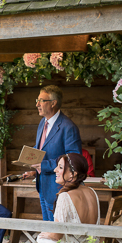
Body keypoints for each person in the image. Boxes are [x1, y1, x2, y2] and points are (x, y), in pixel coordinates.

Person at [33, 153, 100, 243]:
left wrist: (45, 234)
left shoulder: (65, 197)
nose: (55, 170)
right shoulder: (92, 192)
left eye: (60, 167)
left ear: (72, 174)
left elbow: (56, 236)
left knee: (40, 241)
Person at [22, 85, 82, 221]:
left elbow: (73, 159)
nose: (37, 104)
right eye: (37, 100)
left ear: (53, 103)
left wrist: (44, 165)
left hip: (58, 188)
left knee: (56, 234)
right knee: (48, 229)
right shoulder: (42, 123)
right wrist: (32, 162)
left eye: (41, 100)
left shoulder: (68, 127)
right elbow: (44, 149)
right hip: (42, 186)